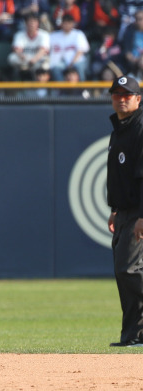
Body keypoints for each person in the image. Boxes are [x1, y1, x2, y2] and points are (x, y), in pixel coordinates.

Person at [106, 75, 143, 348]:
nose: (121, 98)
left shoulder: (140, 128)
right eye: (117, 94)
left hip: (139, 211)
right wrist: (116, 209)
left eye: (127, 94)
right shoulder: (119, 128)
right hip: (125, 211)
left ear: (138, 99)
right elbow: (120, 176)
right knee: (124, 271)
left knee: (130, 269)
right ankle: (132, 335)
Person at [8, 13, 50, 81]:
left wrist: (33, 60)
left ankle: (41, 88)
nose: (32, 24)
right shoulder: (19, 34)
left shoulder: (44, 34)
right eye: (29, 22)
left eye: (34, 21)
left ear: (38, 23)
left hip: (38, 59)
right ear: (26, 23)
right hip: (25, 59)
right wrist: (22, 56)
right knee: (12, 58)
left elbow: (43, 50)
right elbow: (16, 49)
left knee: (46, 64)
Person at [49, 13, 89, 81]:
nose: (67, 25)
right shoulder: (54, 35)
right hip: (61, 63)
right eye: (65, 23)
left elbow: (81, 50)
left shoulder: (78, 34)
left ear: (73, 24)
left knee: (79, 67)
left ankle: (83, 89)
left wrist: (71, 63)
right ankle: (61, 90)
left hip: (77, 61)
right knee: (55, 68)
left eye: (69, 23)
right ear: (61, 23)